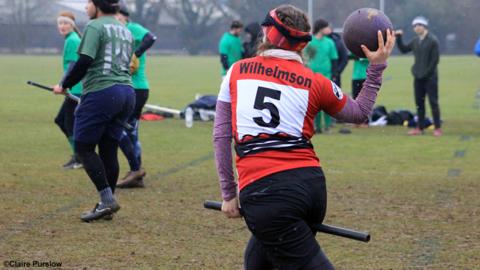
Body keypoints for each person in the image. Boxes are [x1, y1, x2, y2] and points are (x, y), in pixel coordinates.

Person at [213, 4, 395, 269]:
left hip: (266, 193)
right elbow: (360, 112)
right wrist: (376, 67)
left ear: (266, 35)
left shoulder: (236, 72)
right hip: (311, 188)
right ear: (302, 43)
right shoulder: (315, 81)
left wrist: (229, 194)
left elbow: (221, 136)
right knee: (257, 261)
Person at [53, 0, 135, 222]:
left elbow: (85, 60)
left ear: (97, 5)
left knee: (83, 147)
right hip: (127, 92)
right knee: (108, 148)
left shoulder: (95, 26)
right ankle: (107, 203)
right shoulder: (124, 29)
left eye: (88, 2)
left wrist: (65, 84)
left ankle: (107, 200)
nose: (86, 6)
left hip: (102, 92)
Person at [115, 3, 157, 188]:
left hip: (136, 88)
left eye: (118, 17)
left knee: (121, 129)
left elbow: (151, 37)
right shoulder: (118, 33)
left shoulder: (132, 28)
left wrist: (136, 54)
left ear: (124, 17)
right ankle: (136, 174)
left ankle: (136, 170)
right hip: (130, 88)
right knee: (131, 131)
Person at [395, 16, 442, 137]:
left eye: (418, 25)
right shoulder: (416, 41)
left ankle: (437, 128)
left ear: (424, 26)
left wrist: (427, 73)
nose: (416, 28)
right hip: (418, 78)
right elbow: (404, 50)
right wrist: (398, 38)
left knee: (433, 102)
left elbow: (435, 60)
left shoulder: (433, 40)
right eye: (414, 26)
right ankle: (419, 128)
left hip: (430, 78)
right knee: (419, 104)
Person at [54, 11, 83, 170]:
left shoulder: (72, 40)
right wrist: (62, 83)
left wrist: (62, 85)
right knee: (63, 121)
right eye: (60, 23)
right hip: (74, 88)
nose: (62, 26)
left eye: (65, 23)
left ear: (72, 25)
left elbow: (73, 65)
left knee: (68, 123)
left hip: (77, 89)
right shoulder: (72, 39)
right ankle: (78, 155)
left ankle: (80, 157)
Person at [304, 18, 339, 133]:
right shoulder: (311, 42)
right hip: (312, 77)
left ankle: (327, 126)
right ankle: (317, 127)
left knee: (327, 102)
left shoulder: (329, 43)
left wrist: (334, 74)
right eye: (327, 27)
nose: (329, 29)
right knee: (316, 103)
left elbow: (334, 60)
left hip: (326, 76)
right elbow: (306, 59)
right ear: (321, 28)